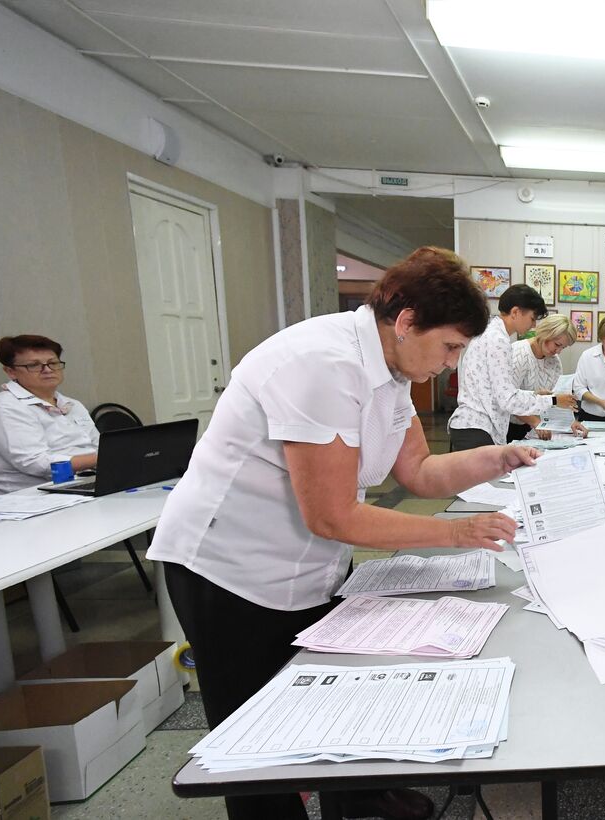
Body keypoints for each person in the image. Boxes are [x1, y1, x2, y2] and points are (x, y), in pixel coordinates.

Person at [146, 246, 537, 820]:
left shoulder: (395, 369)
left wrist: (496, 458)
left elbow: (419, 474)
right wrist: (457, 536)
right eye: (450, 346)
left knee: (330, 691)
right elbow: (331, 515)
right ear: (406, 323)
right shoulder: (322, 364)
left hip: (308, 562)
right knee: (257, 740)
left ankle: (357, 794)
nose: (453, 363)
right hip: (229, 569)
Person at [448, 284, 578, 451]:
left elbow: (499, 391)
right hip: (478, 428)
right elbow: (507, 400)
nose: (533, 326)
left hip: (478, 427)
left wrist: (534, 394)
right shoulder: (499, 341)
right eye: (532, 318)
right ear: (516, 312)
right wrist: (553, 400)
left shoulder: (492, 333)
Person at [0, 335, 99, 495]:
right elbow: (35, 463)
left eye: (53, 363)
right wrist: (103, 458)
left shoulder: (71, 404)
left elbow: (98, 446)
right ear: (11, 372)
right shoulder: (3, 406)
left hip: (82, 485)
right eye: (34, 365)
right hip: (29, 499)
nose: (47, 370)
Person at [506, 313, 587, 441]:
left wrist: (568, 423)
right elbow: (508, 399)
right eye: (557, 344)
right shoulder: (518, 354)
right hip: (508, 427)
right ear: (546, 334)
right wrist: (535, 422)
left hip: (534, 428)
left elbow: (553, 401)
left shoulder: (555, 363)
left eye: (563, 347)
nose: (558, 351)